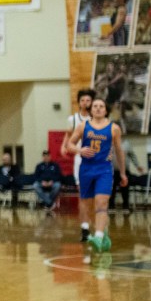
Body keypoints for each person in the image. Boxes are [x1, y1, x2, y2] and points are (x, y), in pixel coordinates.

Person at [65, 98, 127, 253]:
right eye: (95, 106)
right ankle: (96, 229)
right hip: (86, 169)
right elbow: (69, 145)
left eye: (101, 106)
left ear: (106, 110)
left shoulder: (114, 128)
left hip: (104, 170)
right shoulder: (82, 126)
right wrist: (80, 150)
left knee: (102, 203)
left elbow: (119, 152)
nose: (98, 108)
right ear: (91, 110)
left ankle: (98, 237)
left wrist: (123, 173)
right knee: (87, 204)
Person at [67, 88, 94, 240]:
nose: (86, 103)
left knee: (98, 197)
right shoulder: (74, 119)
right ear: (79, 102)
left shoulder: (100, 119)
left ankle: (99, 227)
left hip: (98, 161)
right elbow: (69, 139)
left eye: (88, 100)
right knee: (83, 195)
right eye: (82, 100)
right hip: (81, 160)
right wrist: (75, 149)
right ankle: (84, 228)